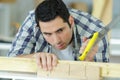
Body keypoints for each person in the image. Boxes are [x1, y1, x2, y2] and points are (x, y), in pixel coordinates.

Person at [8, 0, 109, 71]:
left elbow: (102, 76)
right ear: (39, 28)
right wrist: (34, 57)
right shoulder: (32, 21)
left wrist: (89, 61)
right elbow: (11, 61)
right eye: (47, 34)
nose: (56, 40)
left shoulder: (95, 29)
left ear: (70, 21)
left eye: (60, 30)